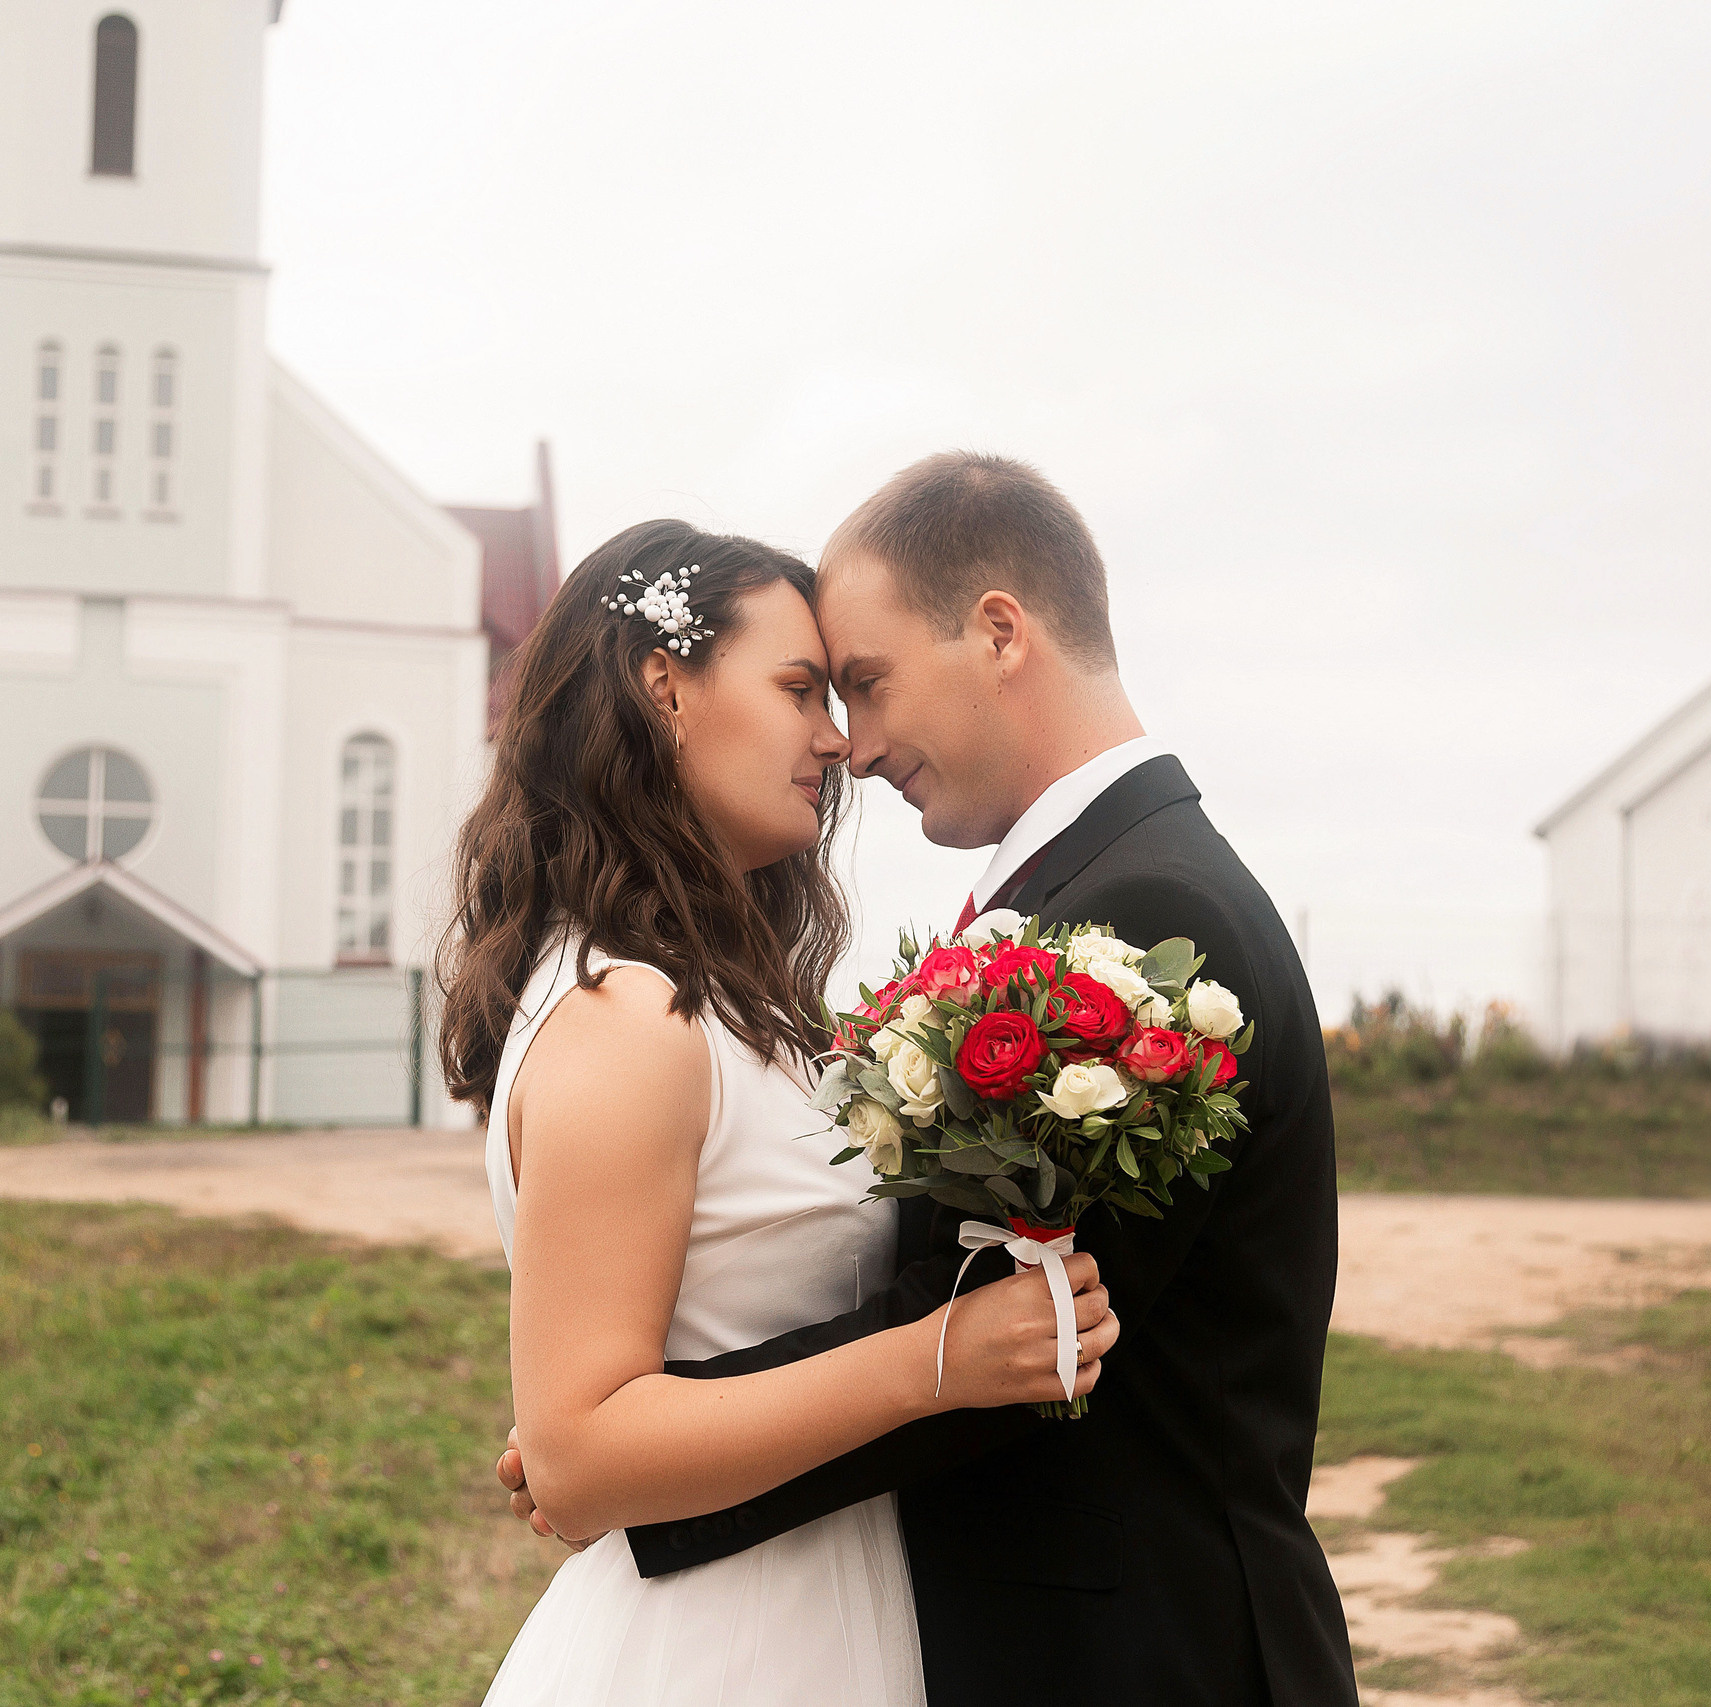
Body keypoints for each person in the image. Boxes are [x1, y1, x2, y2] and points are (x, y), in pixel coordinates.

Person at [500, 456, 1359, 1705]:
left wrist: (629, 1460)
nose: (851, 744)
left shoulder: (1145, 913)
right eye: (813, 689)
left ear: (999, 631)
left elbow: (1028, 1333)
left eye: (860, 683)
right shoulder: (1079, 897)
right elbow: (965, 1318)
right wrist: (611, 1441)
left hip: (1149, 1650)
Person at [439, 517, 1123, 1707]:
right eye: (801, 688)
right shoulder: (624, 1017)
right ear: (666, 690)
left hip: (817, 1609)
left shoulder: (715, 1004)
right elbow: (582, 1455)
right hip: (717, 1652)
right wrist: (937, 1361)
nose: (837, 742)